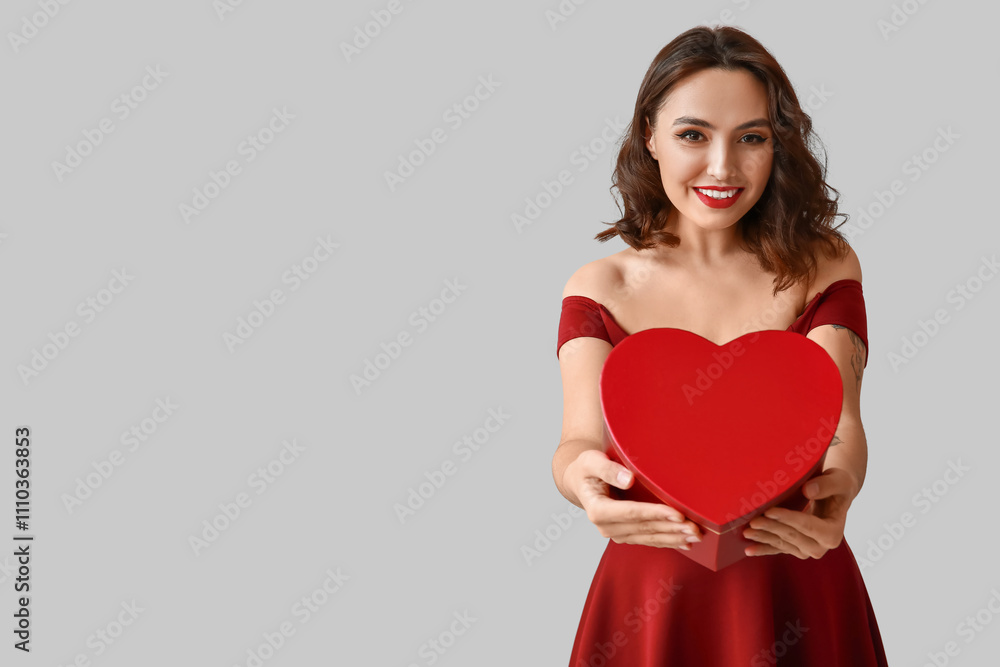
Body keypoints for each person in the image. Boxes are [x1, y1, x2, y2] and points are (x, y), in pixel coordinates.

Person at [552, 25, 889, 666]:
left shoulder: (824, 264)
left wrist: (841, 486)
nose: (723, 168)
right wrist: (582, 483)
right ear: (649, 135)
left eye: (752, 138)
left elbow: (840, 420)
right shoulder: (601, 286)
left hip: (798, 569)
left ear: (777, 146)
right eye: (692, 135)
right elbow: (577, 441)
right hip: (649, 595)